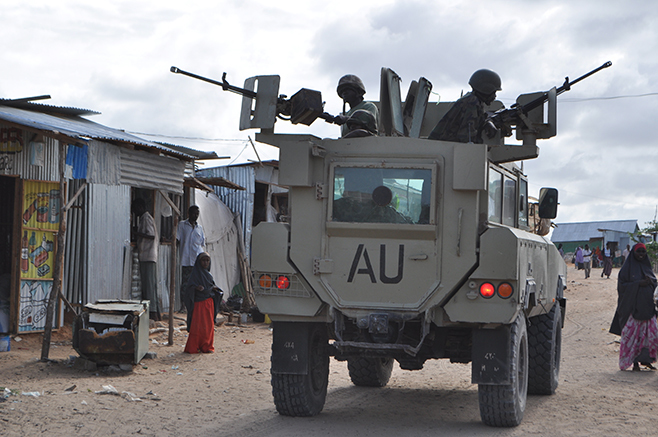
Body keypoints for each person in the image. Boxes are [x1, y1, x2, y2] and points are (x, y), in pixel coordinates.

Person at [609, 243, 658, 371]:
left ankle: (646, 360)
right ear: (633, 253)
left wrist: (650, 282)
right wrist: (638, 284)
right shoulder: (626, 269)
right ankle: (634, 363)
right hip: (633, 310)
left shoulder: (648, 267)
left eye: (643, 252)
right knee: (632, 337)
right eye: (639, 252)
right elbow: (622, 287)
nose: (641, 254)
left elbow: (655, 285)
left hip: (648, 310)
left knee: (649, 336)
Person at [428, 69, 503, 143]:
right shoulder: (472, 102)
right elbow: (467, 137)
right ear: (486, 89)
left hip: (443, 146)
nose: (495, 96)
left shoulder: (475, 101)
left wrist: (488, 123)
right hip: (441, 148)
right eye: (494, 92)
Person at [184, 252, 223, 354]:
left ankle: (207, 346)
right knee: (197, 327)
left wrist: (213, 288)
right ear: (199, 261)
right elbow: (188, 289)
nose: (205, 263)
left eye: (207, 260)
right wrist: (196, 288)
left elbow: (210, 286)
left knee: (208, 327)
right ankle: (194, 346)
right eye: (203, 260)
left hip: (208, 304)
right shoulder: (195, 275)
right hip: (199, 305)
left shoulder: (208, 275)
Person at [177, 205, 206, 330]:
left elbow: (202, 244)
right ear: (189, 213)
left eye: (197, 213)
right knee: (185, 284)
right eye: (193, 213)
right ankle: (184, 305)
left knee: (196, 284)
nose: (195, 216)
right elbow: (177, 239)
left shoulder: (200, 228)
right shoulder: (182, 225)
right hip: (185, 259)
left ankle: (194, 304)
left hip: (196, 260)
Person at [133, 198, 161, 321]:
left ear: (139, 207)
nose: (134, 213)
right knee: (151, 285)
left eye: (135, 210)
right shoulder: (147, 217)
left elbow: (150, 235)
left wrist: (137, 233)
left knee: (149, 285)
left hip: (148, 255)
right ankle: (155, 312)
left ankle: (153, 312)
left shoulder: (145, 218)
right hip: (149, 256)